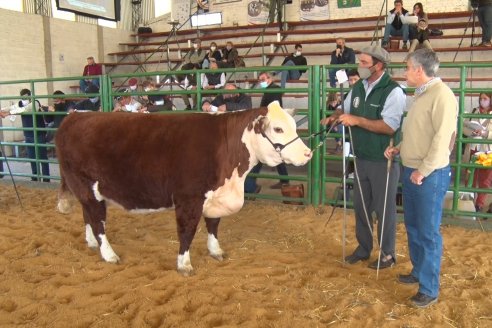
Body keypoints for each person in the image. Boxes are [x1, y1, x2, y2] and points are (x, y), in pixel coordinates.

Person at [321, 45, 406, 270]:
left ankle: (387, 254)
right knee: (361, 206)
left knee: (384, 209)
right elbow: (345, 110)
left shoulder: (393, 91)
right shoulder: (359, 86)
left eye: (365, 63)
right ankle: (363, 248)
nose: (360, 66)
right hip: (360, 157)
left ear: (378, 66)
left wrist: (356, 121)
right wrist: (334, 116)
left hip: (383, 160)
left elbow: (389, 126)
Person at [384, 48, 458, 308]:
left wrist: (423, 171)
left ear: (418, 69)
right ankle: (418, 272)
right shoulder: (421, 95)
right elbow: (418, 131)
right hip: (413, 170)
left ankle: (429, 288)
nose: (405, 72)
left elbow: (442, 139)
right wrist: (400, 148)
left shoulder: (443, 96)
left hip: (429, 175)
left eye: (407, 67)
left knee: (427, 232)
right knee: (414, 227)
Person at [244, 72, 290, 193]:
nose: (261, 82)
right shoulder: (272, 90)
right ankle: (284, 181)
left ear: (269, 79)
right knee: (275, 152)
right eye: (260, 80)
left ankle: (250, 185)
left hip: (271, 126)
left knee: (261, 154)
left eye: (263, 79)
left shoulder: (272, 90)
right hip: (272, 125)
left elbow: (271, 108)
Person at [0, 89, 50, 182]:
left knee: (42, 157)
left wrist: (8, 113)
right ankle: (35, 177)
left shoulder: (35, 102)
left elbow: (24, 109)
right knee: (32, 157)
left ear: (30, 96)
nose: (24, 99)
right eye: (23, 97)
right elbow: (11, 107)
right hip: (28, 134)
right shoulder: (20, 103)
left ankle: (46, 179)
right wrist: (2, 110)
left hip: (39, 134)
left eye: (26, 97)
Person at [463, 92, 492, 212]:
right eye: (480, 99)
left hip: (487, 150)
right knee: (470, 177)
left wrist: (485, 133)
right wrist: (471, 132)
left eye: (485, 99)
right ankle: (469, 202)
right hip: (473, 147)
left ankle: (479, 204)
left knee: (485, 179)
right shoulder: (474, 111)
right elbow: (464, 127)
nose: (482, 101)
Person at [180, 38, 207, 110]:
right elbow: (186, 58)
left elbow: (200, 59)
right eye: (194, 43)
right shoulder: (191, 51)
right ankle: (188, 106)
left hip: (197, 65)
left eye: (196, 43)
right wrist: (189, 62)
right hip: (190, 64)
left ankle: (195, 105)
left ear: (199, 44)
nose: (195, 44)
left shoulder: (203, 51)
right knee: (183, 68)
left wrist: (192, 62)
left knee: (189, 68)